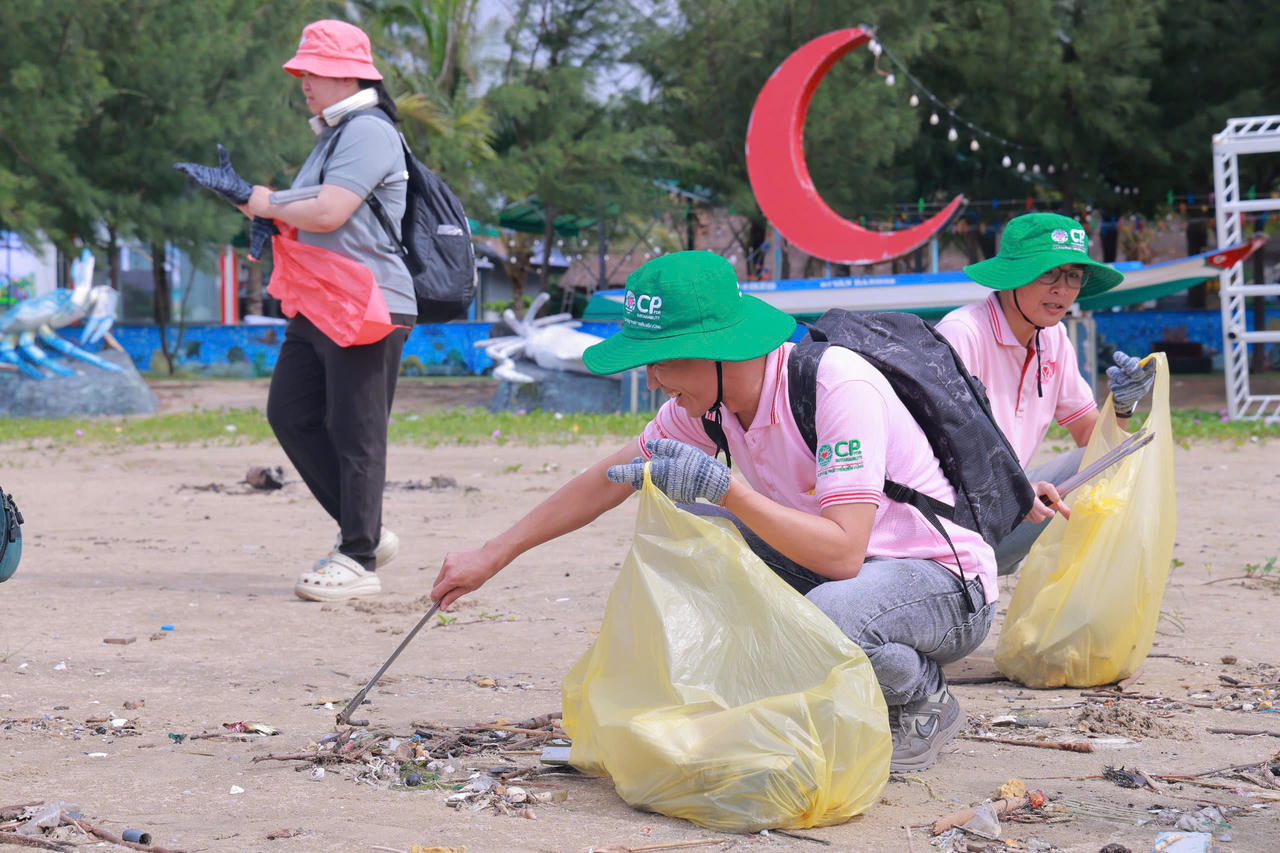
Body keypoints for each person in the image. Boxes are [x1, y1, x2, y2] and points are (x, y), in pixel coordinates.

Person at [434, 250, 1000, 773]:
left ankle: (920, 694)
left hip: (941, 584)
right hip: (843, 573)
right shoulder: (709, 404)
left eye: (661, 362)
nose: (652, 380)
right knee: (694, 534)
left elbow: (845, 553)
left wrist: (730, 490)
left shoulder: (835, 385)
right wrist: (493, 553)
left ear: (720, 349)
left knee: (831, 612)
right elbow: (604, 482)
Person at [179, 20, 415, 600]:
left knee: (356, 432)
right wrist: (250, 201)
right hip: (322, 301)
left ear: (347, 73)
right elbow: (298, 212)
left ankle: (358, 559)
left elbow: (330, 210)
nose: (301, 80)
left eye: (311, 69)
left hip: (367, 302)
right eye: (301, 70)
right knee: (292, 413)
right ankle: (369, 531)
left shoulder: (369, 130)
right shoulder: (332, 137)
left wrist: (253, 196)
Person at [935, 212, 1157, 576]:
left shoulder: (1052, 337)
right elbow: (940, 455)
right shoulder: (963, 334)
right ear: (1012, 277)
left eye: (1072, 276)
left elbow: (1093, 439)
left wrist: (1122, 404)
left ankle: (1080, 605)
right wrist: (1015, 489)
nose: (1062, 289)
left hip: (1008, 504)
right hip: (948, 520)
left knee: (1118, 461)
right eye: (1048, 273)